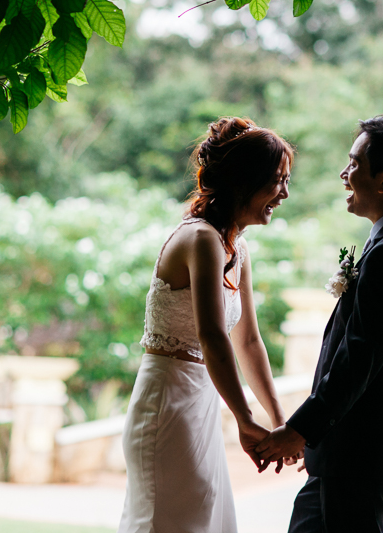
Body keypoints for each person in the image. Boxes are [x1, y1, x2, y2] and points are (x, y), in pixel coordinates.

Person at [256, 114, 383, 533]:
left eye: (355, 163)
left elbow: (359, 358)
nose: (345, 173)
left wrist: (299, 430)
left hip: (359, 451)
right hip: (346, 451)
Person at [118, 117, 295, 533]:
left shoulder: (237, 246)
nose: (284, 194)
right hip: (168, 403)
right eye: (276, 180)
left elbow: (248, 340)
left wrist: (278, 419)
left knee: (208, 520)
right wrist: (244, 416)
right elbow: (212, 336)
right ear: (243, 180)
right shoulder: (200, 239)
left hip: (200, 403)